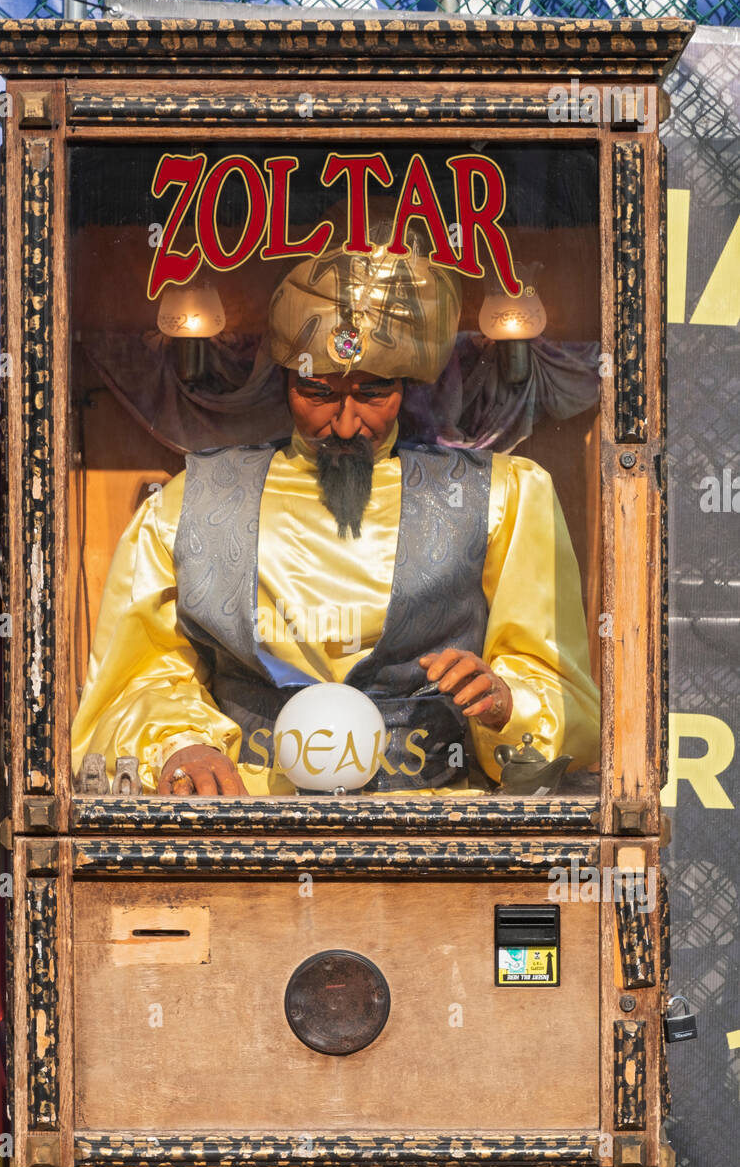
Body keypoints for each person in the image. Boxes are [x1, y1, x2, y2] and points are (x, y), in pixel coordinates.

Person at [71, 241, 600, 796]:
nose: (346, 424)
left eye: (372, 394)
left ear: (407, 387)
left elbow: (562, 689)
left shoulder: (502, 497)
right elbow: (135, 677)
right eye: (317, 393)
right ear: (285, 382)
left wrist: (507, 703)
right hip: (248, 819)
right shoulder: (189, 504)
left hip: (432, 826)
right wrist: (179, 745)